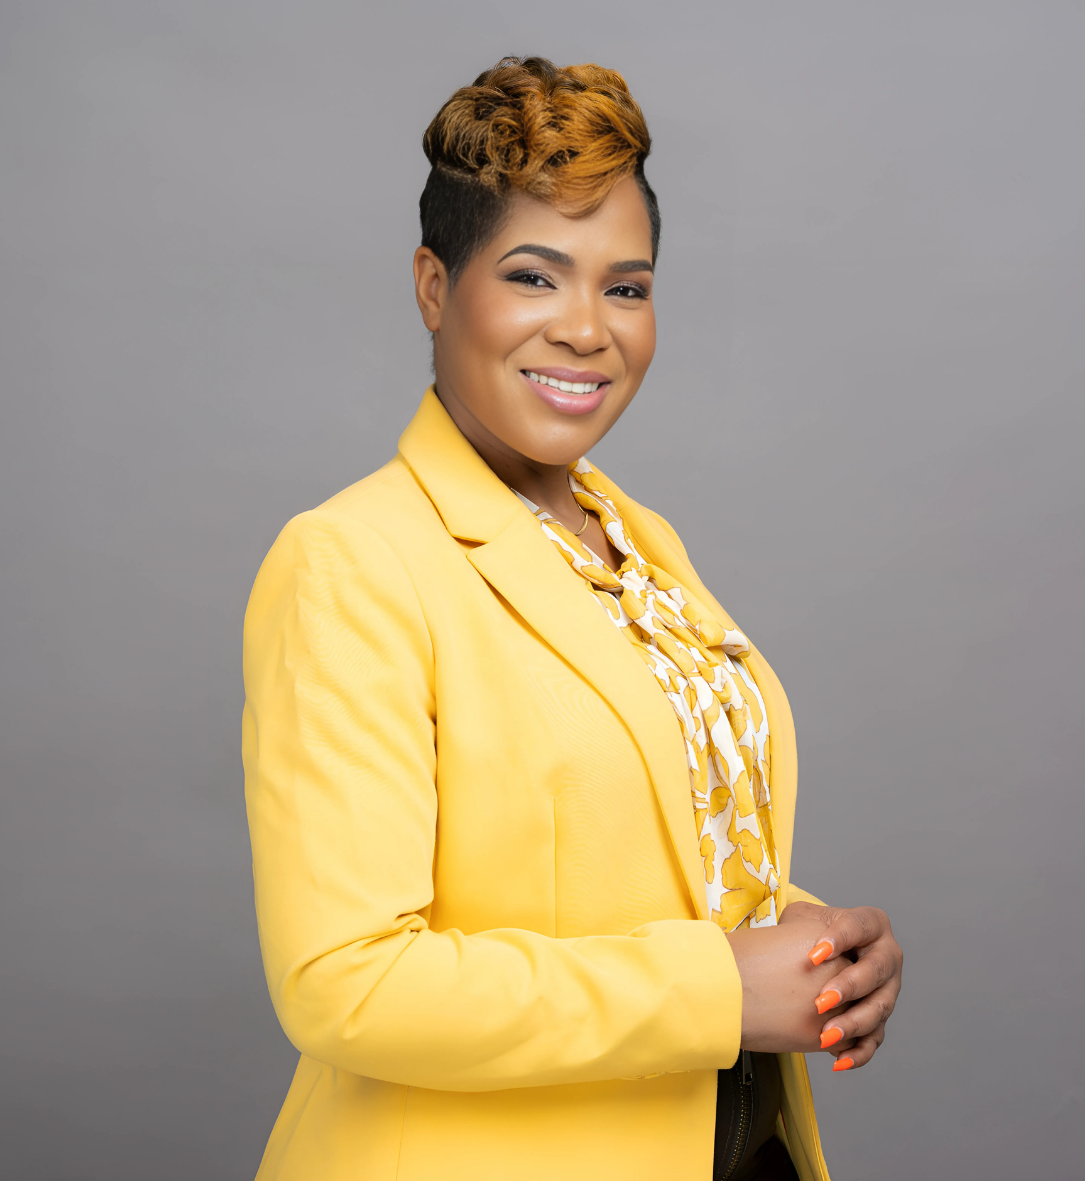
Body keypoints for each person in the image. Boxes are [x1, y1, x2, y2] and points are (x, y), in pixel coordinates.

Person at [242, 56, 903, 1181]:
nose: (589, 329)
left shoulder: (640, 541)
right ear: (433, 287)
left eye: (627, 286)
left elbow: (642, 849)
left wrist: (812, 941)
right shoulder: (352, 560)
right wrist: (722, 987)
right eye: (535, 277)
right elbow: (347, 979)